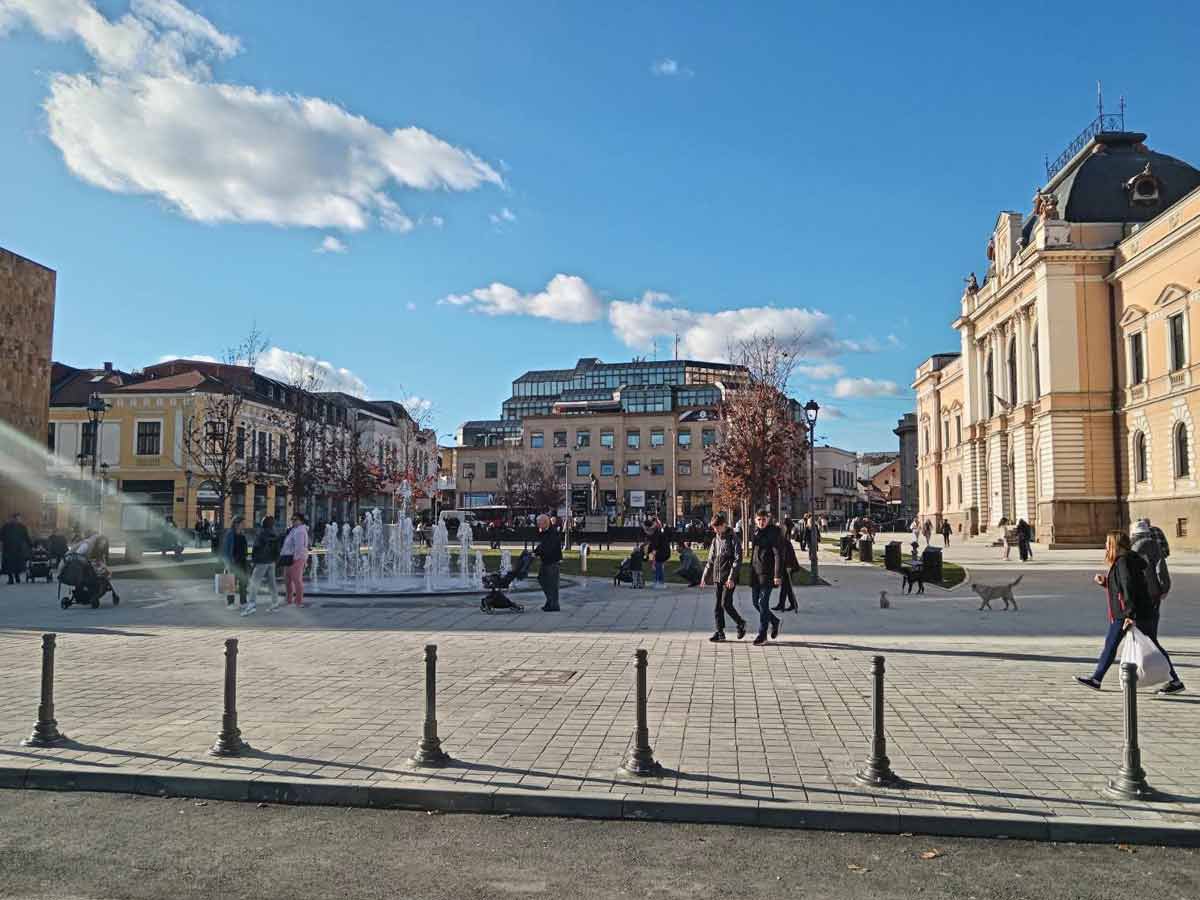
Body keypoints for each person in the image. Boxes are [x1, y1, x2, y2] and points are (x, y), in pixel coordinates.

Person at [1075, 531, 1183, 694]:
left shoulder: (1123, 562)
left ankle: (1175, 681)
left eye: (1107, 542)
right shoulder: (1128, 560)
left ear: (1115, 545)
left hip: (1130, 613)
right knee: (1115, 644)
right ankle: (1096, 678)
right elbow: (1125, 587)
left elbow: (1129, 590)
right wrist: (1106, 582)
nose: (1105, 546)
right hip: (1134, 611)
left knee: (1121, 645)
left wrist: (1130, 616)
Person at [1130, 518, 1184, 694]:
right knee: (1148, 636)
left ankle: (1173, 679)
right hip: (1154, 595)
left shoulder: (1136, 549)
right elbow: (1161, 568)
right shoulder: (1154, 545)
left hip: (1143, 596)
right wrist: (1164, 588)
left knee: (1149, 638)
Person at [701, 513, 746, 642]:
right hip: (718, 576)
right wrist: (705, 576)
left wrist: (731, 577)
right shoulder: (716, 540)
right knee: (717, 606)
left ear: (723, 525)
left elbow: (738, 560)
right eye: (714, 528)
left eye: (717, 528)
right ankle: (719, 632)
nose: (715, 530)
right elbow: (711, 559)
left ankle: (740, 622)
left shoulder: (733, 539)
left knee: (725, 603)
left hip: (729, 577)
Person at [748, 509, 784, 646]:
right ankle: (774, 621)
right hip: (756, 573)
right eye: (759, 520)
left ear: (768, 519)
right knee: (755, 603)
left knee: (763, 603)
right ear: (755, 520)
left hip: (768, 574)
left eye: (764, 520)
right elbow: (754, 555)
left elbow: (778, 555)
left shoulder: (773, 532)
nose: (761, 522)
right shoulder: (756, 532)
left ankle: (762, 635)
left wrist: (777, 575)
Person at [245, 515, 279, 616]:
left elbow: (256, 548)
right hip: (271, 562)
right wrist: (275, 560)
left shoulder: (261, 534)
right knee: (272, 583)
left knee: (254, 583)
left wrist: (253, 560)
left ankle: (251, 605)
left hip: (261, 562)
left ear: (264, 523)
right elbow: (277, 549)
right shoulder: (274, 533)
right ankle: (275, 603)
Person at [280, 512, 310, 607]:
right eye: (292, 519)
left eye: (295, 519)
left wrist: (295, 559)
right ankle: (288, 599)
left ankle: (298, 601)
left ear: (301, 521)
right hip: (289, 557)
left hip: (296, 558)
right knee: (287, 579)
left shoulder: (300, 531)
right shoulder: (293, 530)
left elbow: (299, 547)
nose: (293, 521)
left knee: (297, 580)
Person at [533, 513, 562, 611]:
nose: (537, 525)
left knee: (552, 584)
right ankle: (550, 601)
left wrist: (537, 553)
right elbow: (542, 545)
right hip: (546, 561)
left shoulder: (552, 533)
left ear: (545, 522)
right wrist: (535, 552)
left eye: (539, 523)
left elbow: (547, 548)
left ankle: (553, 604)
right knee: (542, 579)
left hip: (552, 562)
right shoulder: (546, 532)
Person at [773, 517, 800, 612]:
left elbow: (789, 555)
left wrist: (789, 566)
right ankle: (787, 604)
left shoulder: (784, 541)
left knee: (787, 587)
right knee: (786, 587)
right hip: (784, 566)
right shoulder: (779, 540)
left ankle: (790, 604)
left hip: (788, 567)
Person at [222, 516, 249, 610]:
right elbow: (225, 550)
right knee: (230, 583)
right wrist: (227, 563)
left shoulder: (242, 534)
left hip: (242, 562)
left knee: (243, 583)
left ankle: (243, 602)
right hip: (233, 563)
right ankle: (230, 603)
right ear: (236, 524)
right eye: (243, 523)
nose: (244, 525)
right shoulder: (230, 534)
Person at [1, 512, 32, 585]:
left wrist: (31, 545)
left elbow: (26, 537)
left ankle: (17, 576)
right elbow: (1, 535)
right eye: (16, 518)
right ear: (12, 518)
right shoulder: (6, 526)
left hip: (18, 548)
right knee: (8, 565)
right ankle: (10, 578)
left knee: (17, 564)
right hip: (8, 548)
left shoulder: (22, 527)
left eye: (18, 518)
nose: (17, 520)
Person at [645, 518, 671, 589]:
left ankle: (659, 582)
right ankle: (660, 581)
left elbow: (654, 549)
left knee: (657, 566)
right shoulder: (657, 532)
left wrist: (653, 562)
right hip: (665, 551)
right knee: (659, 566)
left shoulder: (656, 534)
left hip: (663, 552)